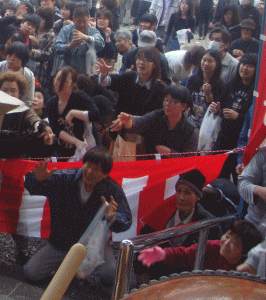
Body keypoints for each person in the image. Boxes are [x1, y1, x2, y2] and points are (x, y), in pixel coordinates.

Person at [23, 147, 132, 283]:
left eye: (96, 169)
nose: (90, 171)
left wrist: (112, 218)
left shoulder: (112, 190)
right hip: (61, 243)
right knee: (31, 273)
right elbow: (34, 185)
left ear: (105, 174)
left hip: (94, 246)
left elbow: (126, 221)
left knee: (111, 275)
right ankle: (61, 268)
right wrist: (36, 179)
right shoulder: (66, 179)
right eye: (88, 165)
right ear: (83, 164)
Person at [138, 220, 262, 273]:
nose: (226, 243)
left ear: (245, 253)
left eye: (235, 243)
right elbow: (185, 254)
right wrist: (163, 254)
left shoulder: (252, 267)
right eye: (227, 236)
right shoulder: (212, 247)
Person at [110, 85, 198, 155]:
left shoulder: (191, 130)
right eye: (166, 100)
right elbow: (140, 122)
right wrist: (129, 123)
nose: (167, 104)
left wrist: (170, 153)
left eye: (173, 102)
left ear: (184, 106)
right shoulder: (157, 115)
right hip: (150, 162)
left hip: (175, 169)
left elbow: (189, 159)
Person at [139, 169, 215, 246]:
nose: (181, 197)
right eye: (179, 191)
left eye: (187, 193)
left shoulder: (209, 225)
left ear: (198, 197)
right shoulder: (161, 214)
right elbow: (143, 241)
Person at [97, 46, 167, 117]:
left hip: (141, 126)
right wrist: (103, 74)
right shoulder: (129, 76)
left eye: (147, 60)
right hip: (119, 122)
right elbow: (107, 82)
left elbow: (156, 116)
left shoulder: (160, 88)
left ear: (154, 65)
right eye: (139, 58)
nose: (141, 63)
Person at [46, 66, 100, 158]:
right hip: (61, 150)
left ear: (73, 84)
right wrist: (75, 141)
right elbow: (56, 129)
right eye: (57, 79)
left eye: (64, 81)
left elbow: (95, 115)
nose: (59, 83)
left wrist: (73, 113)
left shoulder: (80, 97)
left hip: (85, 150)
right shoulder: (51, 103)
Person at [53, 6, 104, 76]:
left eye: (84, 21)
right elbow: (56, 47)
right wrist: (69, 45)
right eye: (78, 21)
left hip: (87, 71)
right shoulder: (66, 30)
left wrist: (86, 38)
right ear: (73, 19)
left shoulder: (93, 31)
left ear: (89, 19)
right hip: (68, 70)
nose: (82, 24)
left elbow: (101, 44)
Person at [185, 50, 223, 129]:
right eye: (204, 60)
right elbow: (186, 97)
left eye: (210, 61)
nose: (206, 64)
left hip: (207, 124)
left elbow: (215, 108)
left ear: (217, 64)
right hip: (190, 121)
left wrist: (208, 94)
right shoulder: (193, 79)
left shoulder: (220, 84)